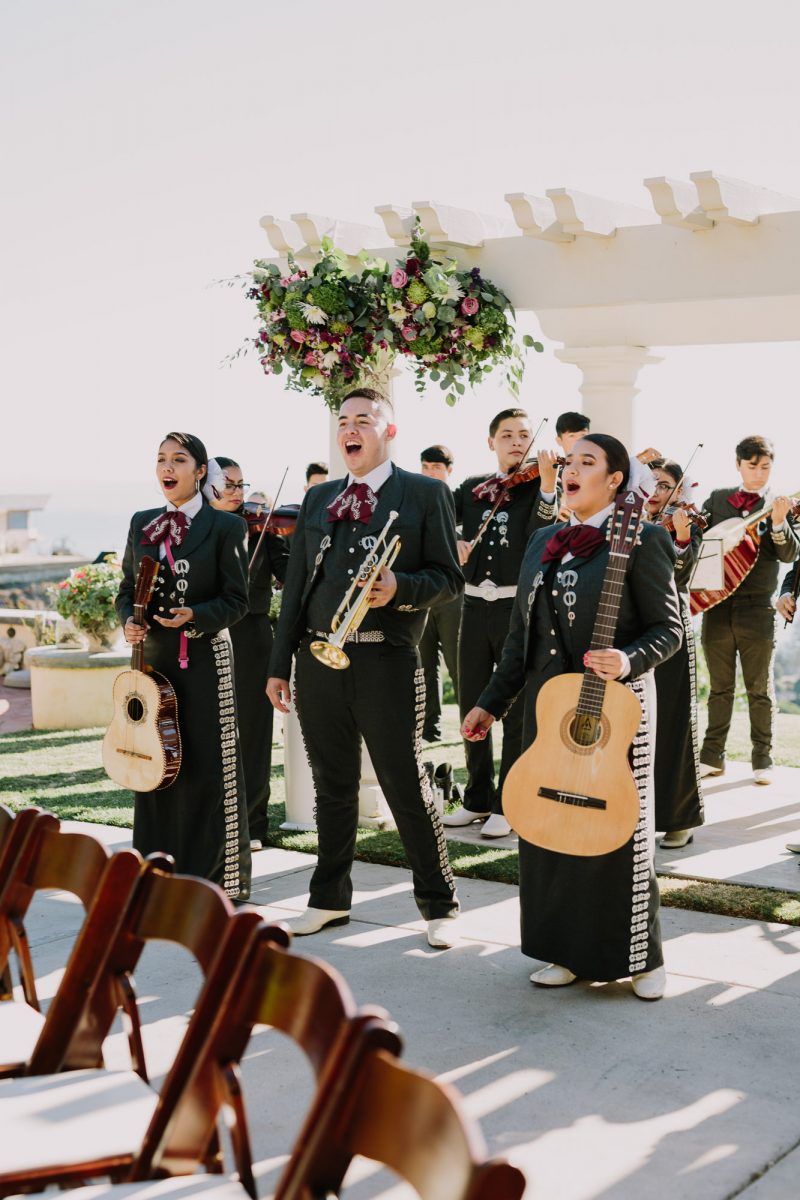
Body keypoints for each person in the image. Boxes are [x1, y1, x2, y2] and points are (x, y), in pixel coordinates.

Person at [462, 434, 683, 1000]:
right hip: (548, 709)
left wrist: (629, 658)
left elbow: (669, 630)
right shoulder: (541, 541)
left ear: (615, 480)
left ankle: (641, 957)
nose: (571, 469)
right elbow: (521, 637)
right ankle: (564, 950)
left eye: (588, 462)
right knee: (548, 831)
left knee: (617, 837)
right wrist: (491, 701)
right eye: (569, 461)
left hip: (617, 711)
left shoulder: (646, 538)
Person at [267, 387, 463, 948]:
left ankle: (439, 902)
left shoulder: (425, 493)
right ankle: (328, 899)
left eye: (364, 421)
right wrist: (280, 664)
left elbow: (449, 580)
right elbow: (298, 585)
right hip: (318, 658)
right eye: (344, 422)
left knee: (405, 783)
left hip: (386, 658)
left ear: (389, 431)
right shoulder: (320, 496)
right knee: (333, 786)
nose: (351, 429)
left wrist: (401, 586)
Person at [117, 432, 251, 901]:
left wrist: (196, 616)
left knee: (206, 769)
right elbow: (124, 593)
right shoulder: (141, 523)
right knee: (153, 765)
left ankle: (214, 883)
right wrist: (127, 624)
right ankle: (155, 877)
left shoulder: (227, 528)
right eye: (160, 459)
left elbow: (238, 601)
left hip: (204, 663)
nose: (166, 467)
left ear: (200, 473)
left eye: (178, 459)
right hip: (153, 666)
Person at [443, 408, 560, 838]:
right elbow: (439, 518)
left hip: (518, 610)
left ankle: (506, 802)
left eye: (524, 435)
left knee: (511, 708)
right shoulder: (472, 489)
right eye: (506, 434)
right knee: (471, 698)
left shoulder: (545, 487)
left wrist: (548, 485)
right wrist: (452, 539)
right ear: (490, 442)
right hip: (474, 608)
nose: (516, 442)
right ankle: (475, 797)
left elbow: (539, 540)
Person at [698, 435, 799, 785]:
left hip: (759, 607)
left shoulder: (781, 504)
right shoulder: (717, 499)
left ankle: (762, 758)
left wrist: (778, 521)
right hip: (717, 604)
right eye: (752, 466)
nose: (759, 473)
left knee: (759, 687)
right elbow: (700, 544)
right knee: (720, 688)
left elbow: (789, 556)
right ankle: (712, 757)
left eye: (766, 467)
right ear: (738, 465)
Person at [206, 457, 290, 850]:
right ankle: (209, 816)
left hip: (253, 635)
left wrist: (299, 543)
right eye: (230, 485)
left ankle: (253, 823)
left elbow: (291, 574)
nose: (238, 493)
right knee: (206, 729)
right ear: (207, 485)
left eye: (241, 485)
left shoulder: (262, 528)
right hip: (206, 634)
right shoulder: (196, 527)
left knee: (253, 734)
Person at [645, 458, 705, 848]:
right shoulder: (626, 518)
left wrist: (681, 539)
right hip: (630, 631)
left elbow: (681, 576)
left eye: (664, 485)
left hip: (670, 630)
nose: (655, 491)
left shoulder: (686, 525)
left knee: (673, 724)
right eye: (650, 483)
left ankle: (678, 817)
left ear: (679, 491)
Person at [417, 445, 463, 745]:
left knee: (458, 663)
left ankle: (470, 720)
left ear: (449, 470)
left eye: (438, 467)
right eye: (427, 466)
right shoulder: (416, 500)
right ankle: (428, 727)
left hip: (451, 596)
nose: (432, 471)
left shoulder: (456, 501)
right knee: (424, 664)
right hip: (422, 594)